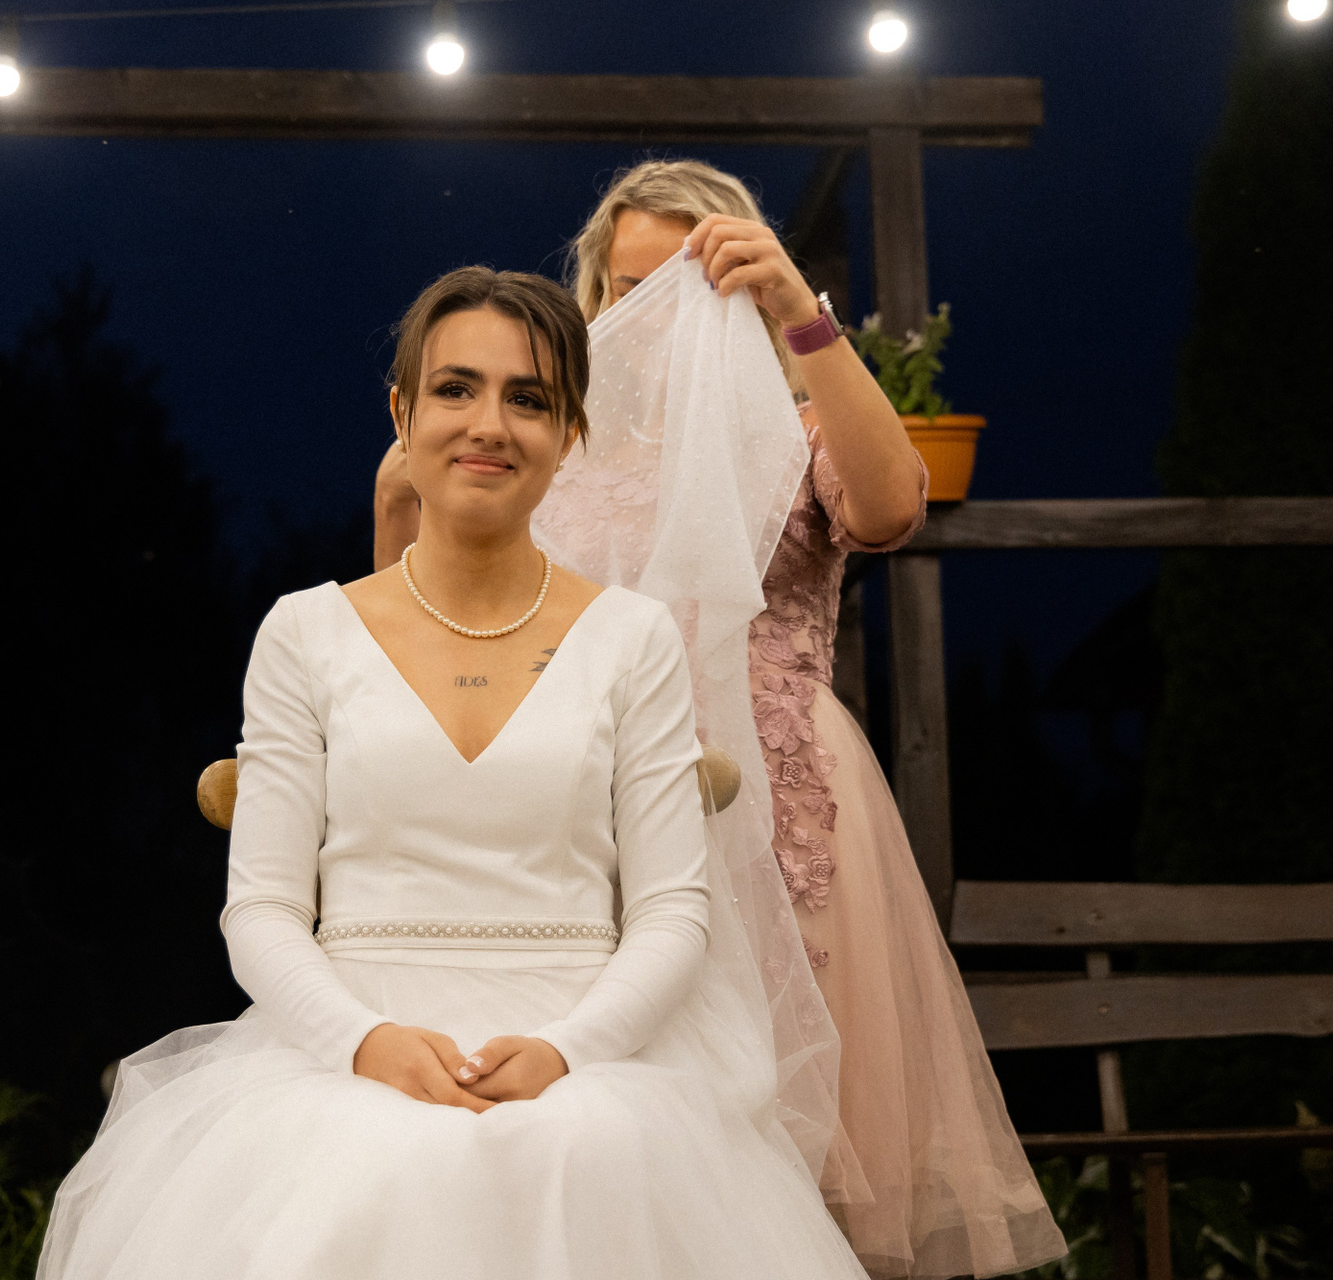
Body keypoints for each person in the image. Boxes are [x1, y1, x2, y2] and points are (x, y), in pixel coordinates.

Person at [37, 266, 871, 1280]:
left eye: (530, 399)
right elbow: (260, 908)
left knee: (577, 1147)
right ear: (402, 412)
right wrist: (365, 1042)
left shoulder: (633, 637)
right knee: (367, 1168)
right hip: (343, 1050)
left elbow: (670, 913)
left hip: (586, 1060)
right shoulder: (304, 633)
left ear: (570, 433)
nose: (489, 424)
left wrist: (568, 1049)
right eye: (456, 388)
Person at [373, 161, 1065, 1279]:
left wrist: (798, 308)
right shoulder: (551, 449)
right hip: (597, 816)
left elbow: (890, 505)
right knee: (621, 1148)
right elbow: (438, 621)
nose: (660, 311)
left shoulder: (792, 427)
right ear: (596, 300)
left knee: (798, 1158)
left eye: (690, 282)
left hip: (782, 818)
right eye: (631, 286)